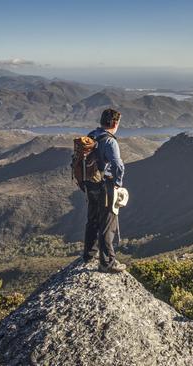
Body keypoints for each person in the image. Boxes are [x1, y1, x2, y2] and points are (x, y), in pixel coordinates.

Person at [83, 108, 126, 273]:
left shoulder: (92, 134)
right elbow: (118, 165)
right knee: (108, 224)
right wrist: (117, 183)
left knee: (92, 219)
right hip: (104, 187)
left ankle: (88, 255)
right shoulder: (110, 141)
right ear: (115, 123)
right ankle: (106, 263)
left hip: (90, 185)